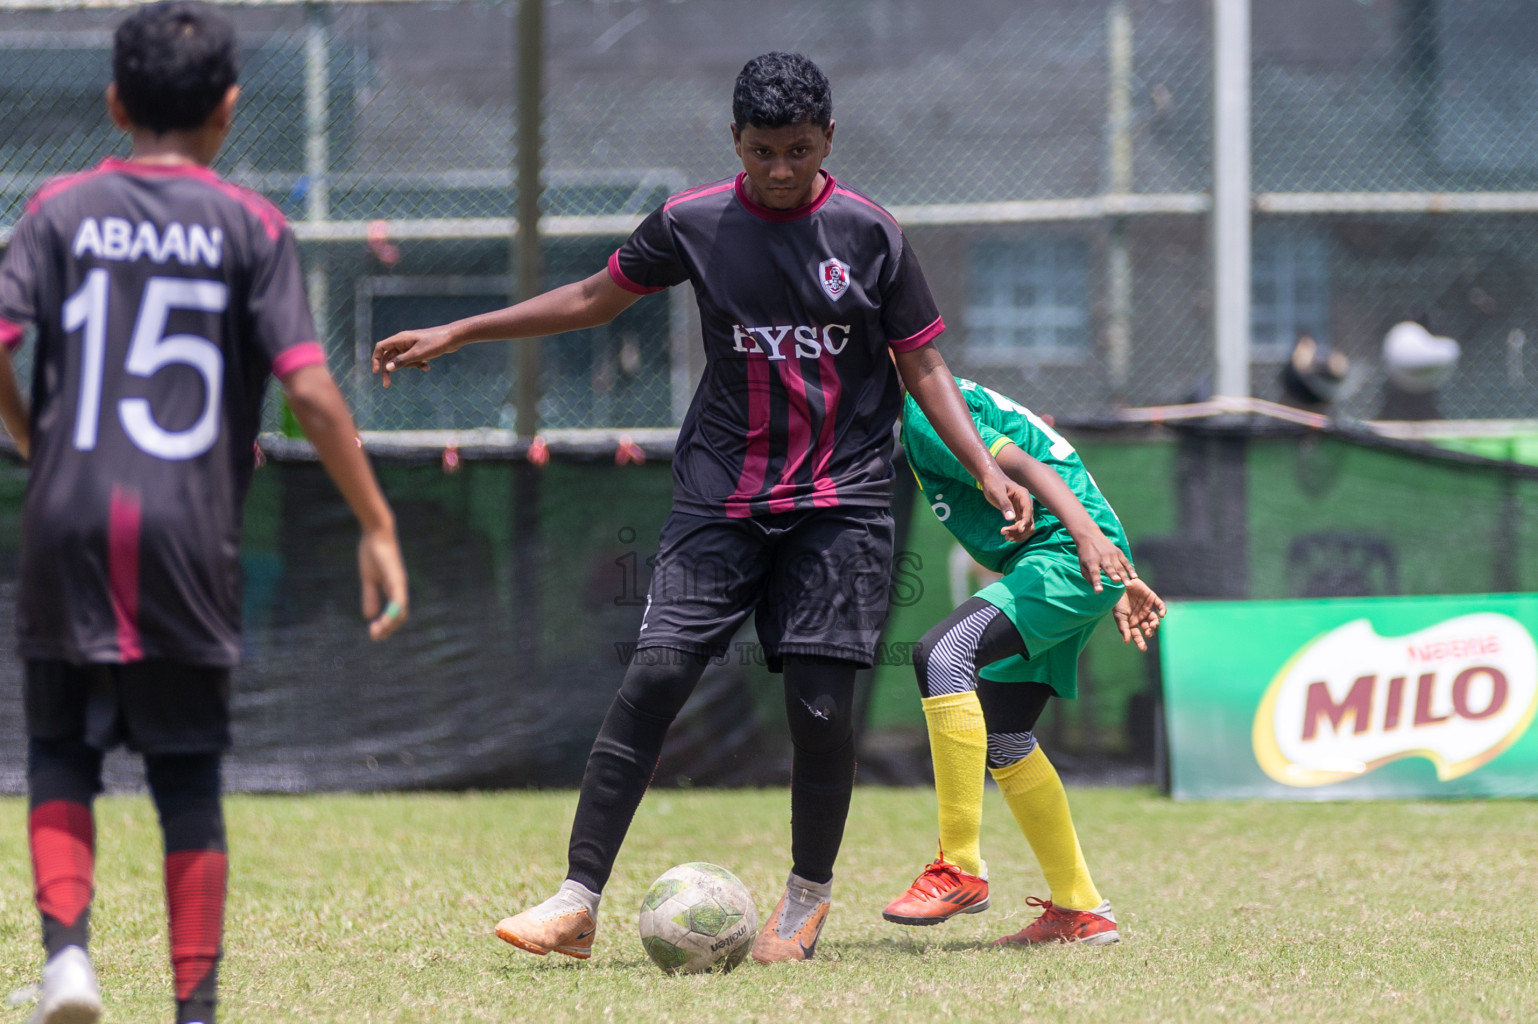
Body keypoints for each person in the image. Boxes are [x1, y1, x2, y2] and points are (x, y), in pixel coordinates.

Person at [371, 52, 1031, 963]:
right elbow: (595, 297)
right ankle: (575, 902)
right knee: (653, 678)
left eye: (800, 149)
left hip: (841, 501)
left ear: (829, 139)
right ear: (736, 142)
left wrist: (985, 469)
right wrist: (462, 330)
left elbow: (923, 364)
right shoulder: (694, 222)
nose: (782, 169)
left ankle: (804, 901)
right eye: (764, 151)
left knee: (821, 709)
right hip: (721, 494)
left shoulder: (872, 235)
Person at [0, 5, 409, 1022]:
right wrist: (375, 520)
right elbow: (310, 391)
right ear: (230, 107)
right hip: (190, 527)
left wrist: (29, 438)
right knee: (186, 779)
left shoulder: (55, 209)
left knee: (61, 753)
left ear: (113, 101)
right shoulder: (252, 225)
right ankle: (193, 1010)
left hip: (64, 518)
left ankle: (69, 962)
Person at [880, 377, 1164, 946]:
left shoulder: (924, 410)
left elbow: (1032, 468)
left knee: (942, 654)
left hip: (1063, 557)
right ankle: (1081, 910)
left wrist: (1087, 538)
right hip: (1074, 556)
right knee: (1005, 732)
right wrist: (1116, 565)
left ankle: (959, 866)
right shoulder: (938, 396)